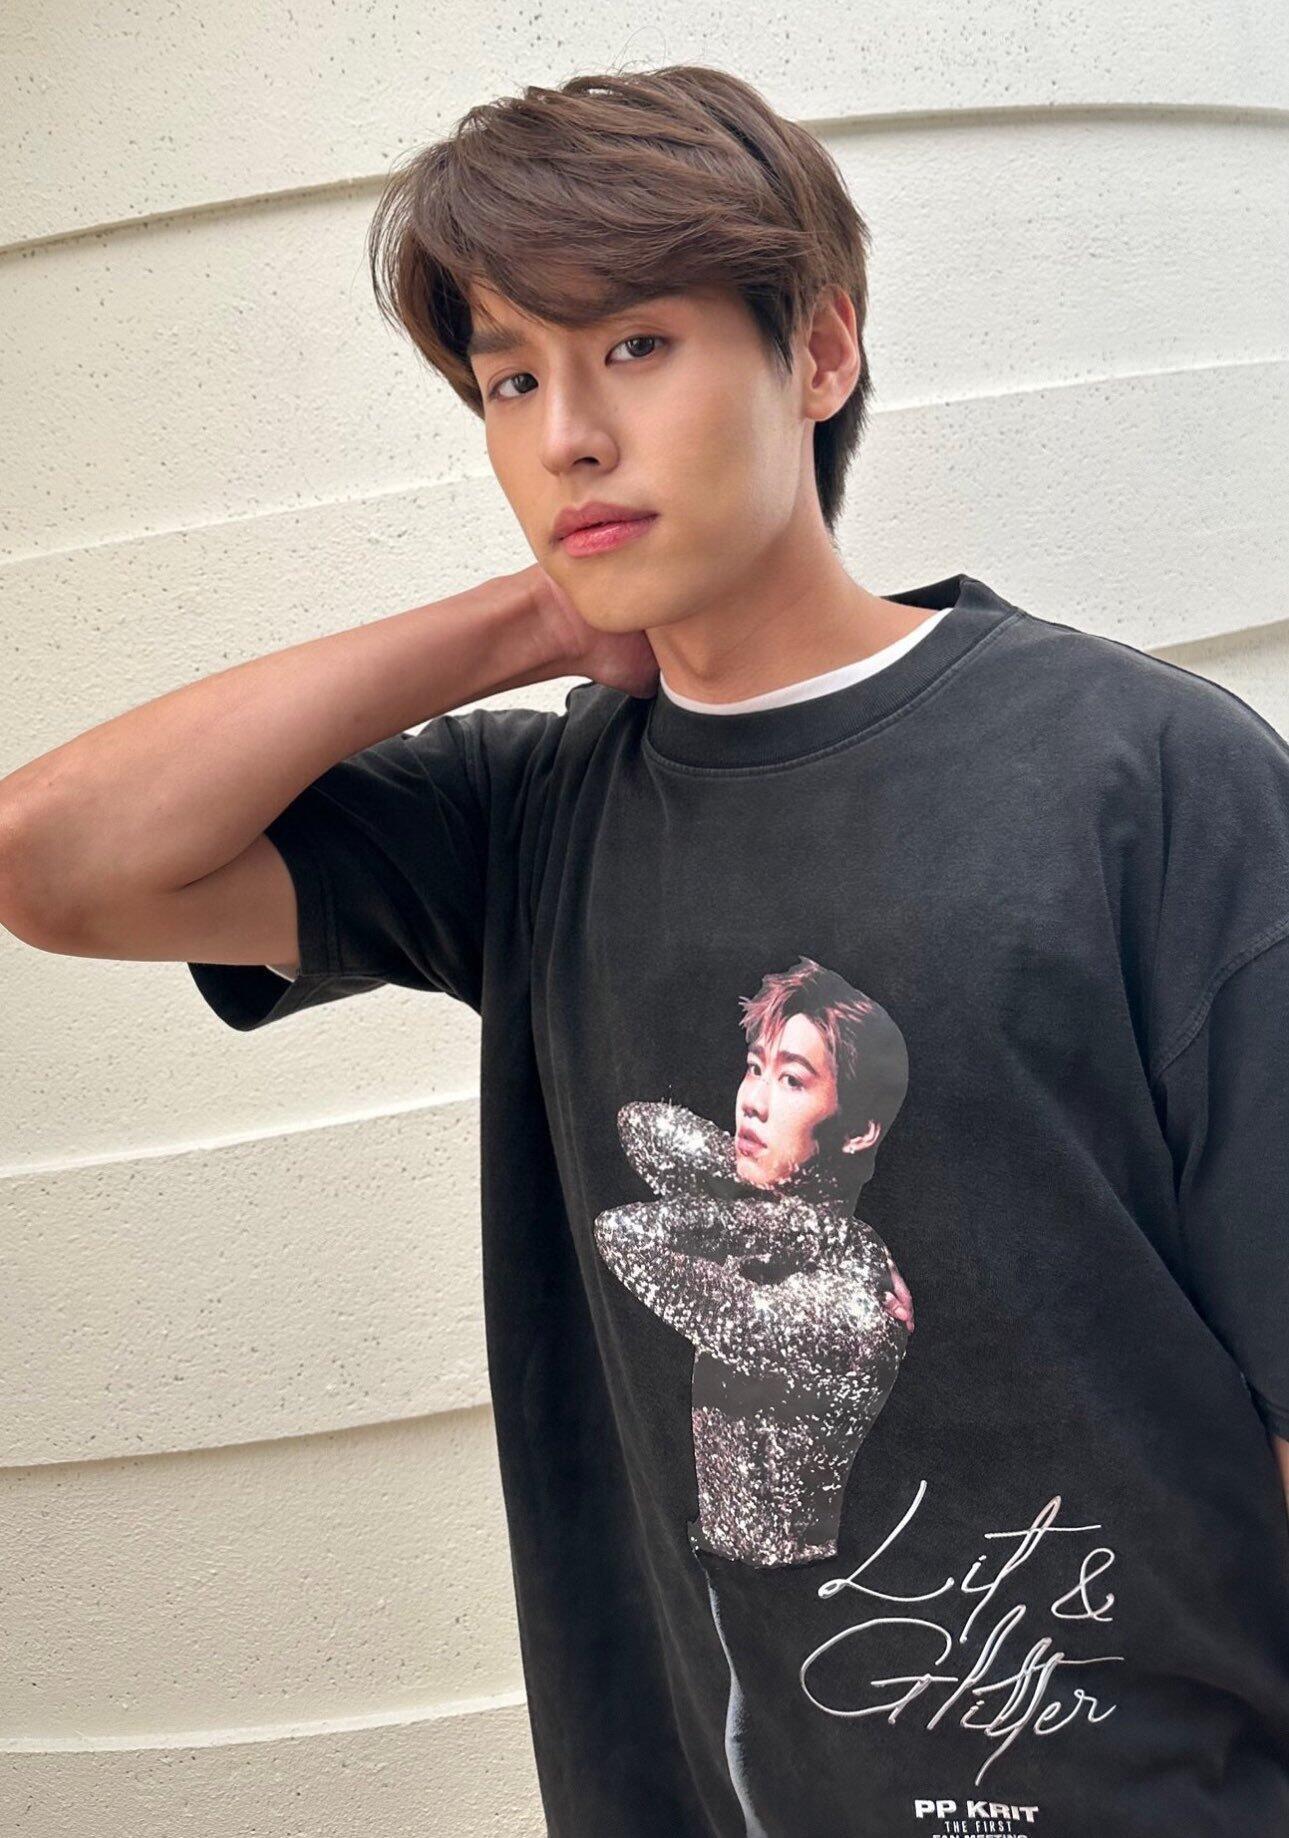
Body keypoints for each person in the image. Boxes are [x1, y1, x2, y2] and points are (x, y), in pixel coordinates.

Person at [1, 60, 1287, 1838]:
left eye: (634, 346)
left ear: (816, 352)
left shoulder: (1139, 772)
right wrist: (529, 618)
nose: (566, 437)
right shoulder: (529, 818)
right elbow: (54, 862)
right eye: (511, 378)